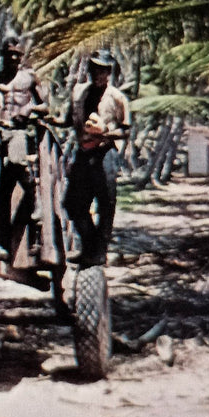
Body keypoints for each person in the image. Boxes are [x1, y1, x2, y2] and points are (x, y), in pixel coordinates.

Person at [0, 37, 47, 259]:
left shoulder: (29, 78)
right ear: (2, 54)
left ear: (22, 55)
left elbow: (45, 105)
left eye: (16, 54)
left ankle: (34, 197)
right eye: (8, 53)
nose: (12, 57)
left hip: (17, 130)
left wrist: (28, 110)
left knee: (19, 162)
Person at [63, 50, 130, 267]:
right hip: (83, 153)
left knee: (105, 204)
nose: (97, 74)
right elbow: (67, 120)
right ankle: (90, 246)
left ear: (109, 73)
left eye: (102, 70)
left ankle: (99, 252)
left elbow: (125, 130)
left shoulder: (117, 98)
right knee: (73, 204)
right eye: (94, 69)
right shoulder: (79, 92)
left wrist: (105, 133)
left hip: (105, 154)